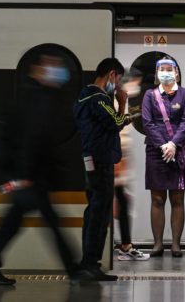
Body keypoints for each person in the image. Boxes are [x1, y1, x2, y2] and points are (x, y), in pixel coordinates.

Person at [0, 53, 93, 285]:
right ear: (37, 70)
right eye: (52, 65)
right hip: (30, 176)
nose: (59, 70)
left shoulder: (38, 96)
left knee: (16, 223)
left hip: (30, 175)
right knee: (47, 223)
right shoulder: (38, 98)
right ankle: (72, 269)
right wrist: (27, 175)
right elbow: (31, 139)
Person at [73, 58, 133, 280]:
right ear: (111, 75)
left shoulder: (83, 95)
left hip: (91, 158)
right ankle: (90, 263)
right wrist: (123, 102)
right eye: (118, 80)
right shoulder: (98, 98)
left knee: (94, 209)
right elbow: (116, 122)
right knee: (100, 211)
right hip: (101, 161)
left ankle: (88, 262)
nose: (118, 85)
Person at [141, 56, 185, 258]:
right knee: (157, 198)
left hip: (178, 151)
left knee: (177, 198)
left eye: (168, 68)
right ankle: (157, 244)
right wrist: (163, 145)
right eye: (161, 69)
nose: (165, 72)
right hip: (156, 151)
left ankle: (175, 244)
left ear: (176, 73)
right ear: (156, 74)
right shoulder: (150, 95)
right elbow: (147, 122)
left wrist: (173, 144)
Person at [114, 71, 150, 261]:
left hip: (119, 160)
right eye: (136, 83)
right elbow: (118, 134)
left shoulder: (123, 101)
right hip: (115, 161)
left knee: (122, 203)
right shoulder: (116, 101)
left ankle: (125, 244)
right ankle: (125, 246)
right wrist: (120, 168)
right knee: (121, 203)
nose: (137, 88)